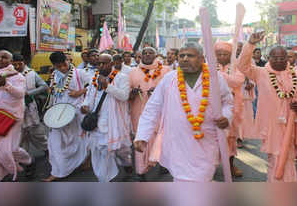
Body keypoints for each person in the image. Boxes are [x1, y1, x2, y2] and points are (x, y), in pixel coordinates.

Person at [134, 42, 233, 182]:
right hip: (177, 142)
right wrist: (142, 135)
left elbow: (228, 103)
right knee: (180, 180)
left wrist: (226, 117)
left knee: (202, 179)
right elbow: (152, 108)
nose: (185, 59)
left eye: (190, 55)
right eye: (182, 55)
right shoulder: (169, 79)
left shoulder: (215, 78)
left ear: (201, 59)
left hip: (206, 141)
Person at [237, 32, 297, 182]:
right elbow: (241, 65)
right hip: (271, 126)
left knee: (287, 159)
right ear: (268, 58)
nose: (279, 60)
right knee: (276, 158)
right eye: (275, 57)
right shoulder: (260, 72)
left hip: (292, 124)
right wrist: (250, 44)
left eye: (283, 57)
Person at [81, 54, 132, 182]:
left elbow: (124, 96)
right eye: (99, 63)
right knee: (102, 151)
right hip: (96, 121)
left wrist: (107, 86)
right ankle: (105, 179)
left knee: (122, 150)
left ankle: (127, 165)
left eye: (104, 63)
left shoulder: (122, 78)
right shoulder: (94, 78)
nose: (101, 66)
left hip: (114, 121)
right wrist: (85, 106)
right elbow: (89, 96)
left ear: (112, 63)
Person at [42, 51, 89, 182]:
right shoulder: (53, 75)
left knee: (77, 141)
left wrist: (80, 92)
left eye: (64, 64)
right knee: (54, 142)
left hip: (76, 112)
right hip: (58, 114)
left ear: (68, 60)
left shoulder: (80, 73)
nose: (62, 68)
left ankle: (83, 159)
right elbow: (54, 93)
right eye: (59, 66)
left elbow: (94, 85)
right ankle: (58, 171)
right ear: (54, 65)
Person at [0, 50, 32, 182]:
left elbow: (20, 94)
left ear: (10, 61)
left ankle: (28, 161)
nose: (0, 59)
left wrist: (5, 84)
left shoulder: (17, 76)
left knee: (8, 150)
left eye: (4, 57)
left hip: (12, 117)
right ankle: (1, 177)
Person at [129, 46, 171, 181]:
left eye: (150, 53)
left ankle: (161, 162)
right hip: (138, 111)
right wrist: (133, 93)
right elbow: (126, 95)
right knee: (141, 137)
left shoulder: (166, 70)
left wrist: (159, 93)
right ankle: (140, 171)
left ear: (156, 55)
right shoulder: (133, 72)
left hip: (160, 112)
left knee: (160, 138)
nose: (147, 55)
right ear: (140, 56)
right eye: (144, 53)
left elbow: (172, 91)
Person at [12, 54, 49, 175]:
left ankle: (48, 150)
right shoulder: (9, 75)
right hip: (15, 111)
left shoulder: (32, 74)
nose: (17, 66)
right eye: (14, 64)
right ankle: (27, 163)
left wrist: (30, 93)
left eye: (19, 64)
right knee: (21, 139)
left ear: (24, 62)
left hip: (30, 109)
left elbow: (44, 86)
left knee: (38, 134)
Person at [215, 41, 245, 178]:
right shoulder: (209, 67)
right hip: (213, 107)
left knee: (231, 138)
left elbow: (238, 81)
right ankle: (210, 166)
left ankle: (230, 165)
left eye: (225, 54)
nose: (222, 56)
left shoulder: (236, 66)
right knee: (211, 138)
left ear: (230, 55)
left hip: (232, 108)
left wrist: (219, 76)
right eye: (219, 54)